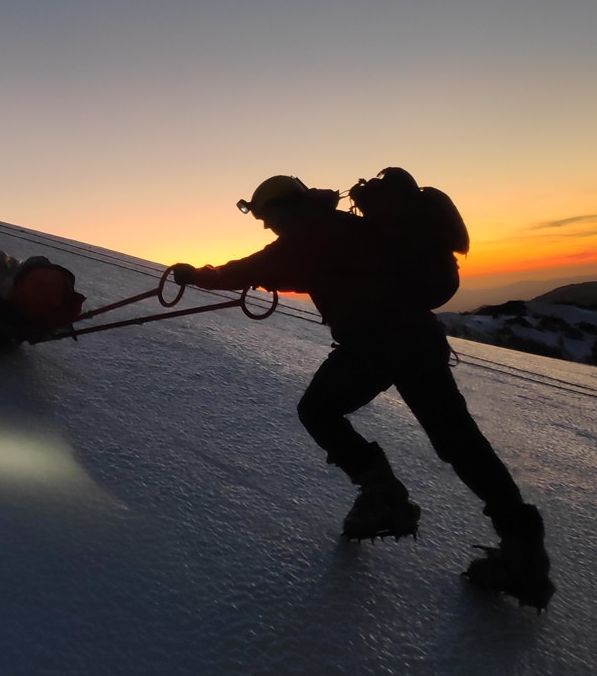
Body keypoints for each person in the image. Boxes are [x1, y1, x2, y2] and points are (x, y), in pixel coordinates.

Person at [171, 173, 555, 610]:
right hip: (417, 337)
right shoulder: (338, 226)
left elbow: (254, 267)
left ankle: (385, 498)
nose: (266, 227)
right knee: (458, 440)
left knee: (318, 411)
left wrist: (197, 275)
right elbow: (308, 269)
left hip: (376, 342)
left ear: (282, 208)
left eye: (266, 217)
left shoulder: (309, 234)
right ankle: (523, 549)